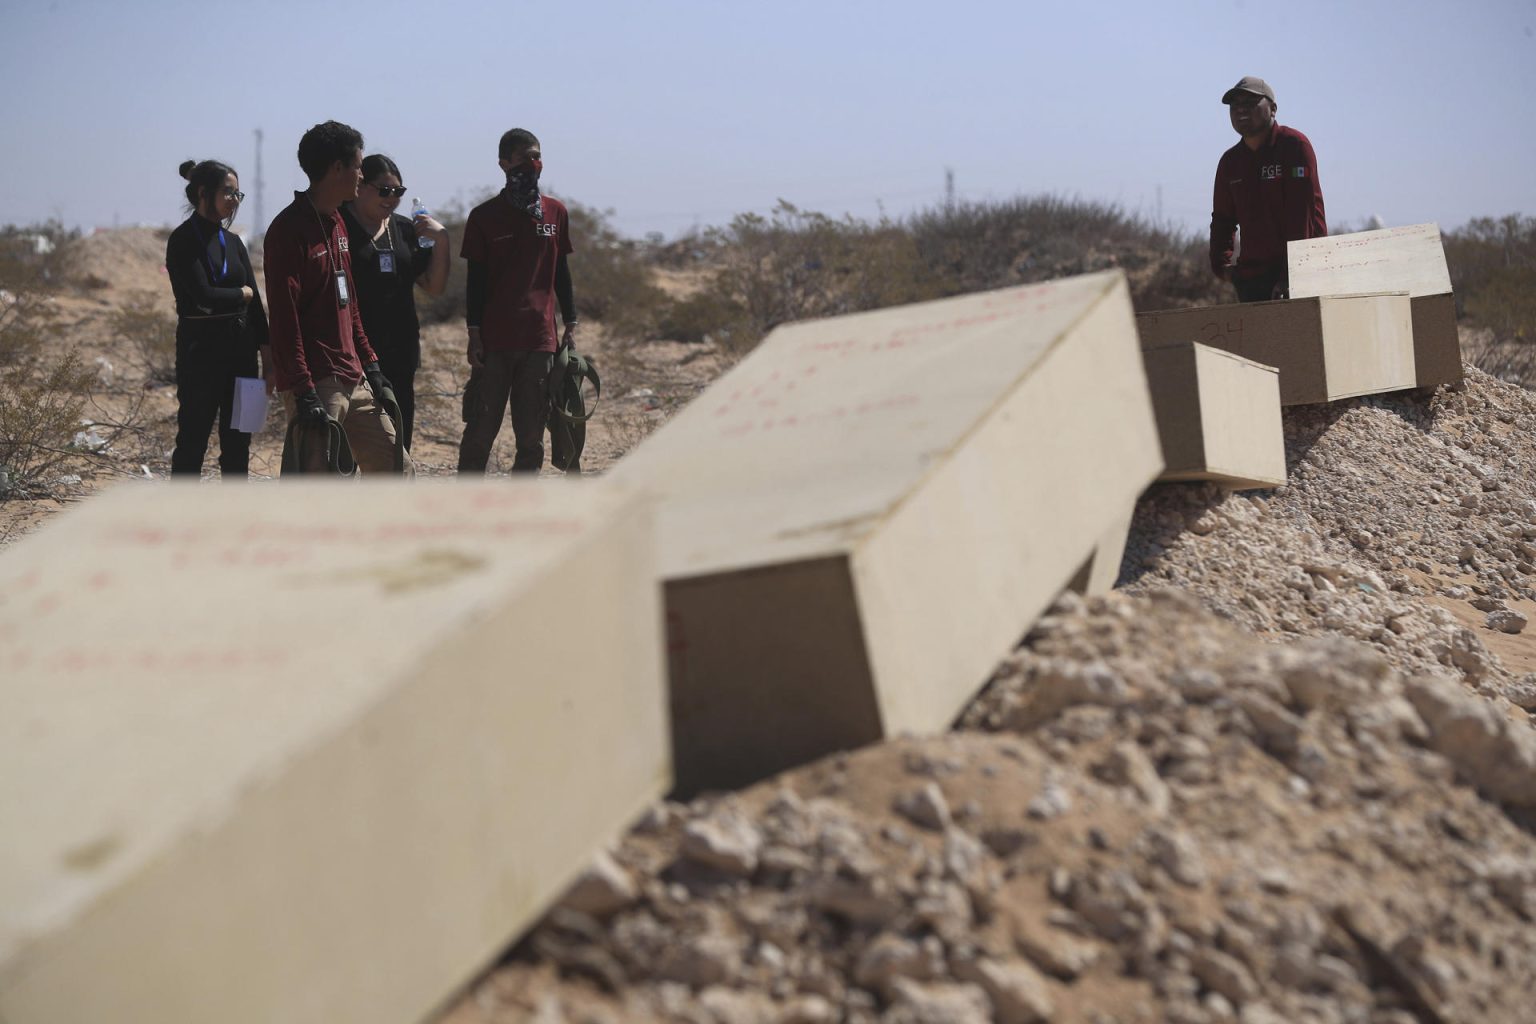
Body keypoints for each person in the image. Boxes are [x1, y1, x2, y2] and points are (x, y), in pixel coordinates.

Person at [263, 120, 408, 474]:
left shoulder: (338, 222)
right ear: (337, 168)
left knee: (397, 469)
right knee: (316, 486)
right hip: (316, 382)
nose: (362, 174)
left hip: (353, 376)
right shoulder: (288, 230)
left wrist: (370, 364)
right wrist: (302, 390)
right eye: (358, 166)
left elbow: (350, 304)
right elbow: (284, 319)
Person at [457, 128, 578, 475]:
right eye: (524, 157)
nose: (533, 164)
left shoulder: (556, 213)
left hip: (539, 343)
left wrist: (571, 322)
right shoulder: (483, 217)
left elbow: (561, 272)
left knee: (531, 438)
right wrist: (474, 334)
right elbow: (475, 282)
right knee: (480, 433)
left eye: (537, 156)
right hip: (494, 343)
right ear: (504, 163)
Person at [164, 159, 271, 478]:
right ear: (203, 192)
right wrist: (241, 295)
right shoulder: (182, 240)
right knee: (192, 442)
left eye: (239, 195)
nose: (234, 200)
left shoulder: (234, 242)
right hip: (202, 354)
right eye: (228, 192)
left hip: (243, 354)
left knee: (239, 444)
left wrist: (268, 356)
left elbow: (255, 301)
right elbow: (203, 295)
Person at [340, 154, 448, 452]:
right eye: (384, 191)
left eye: (398, 192)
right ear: (360, 186)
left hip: (399, 348)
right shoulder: (337, 225)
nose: (392, 199)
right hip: (351, 351)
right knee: (346, 443)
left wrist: (442, 242)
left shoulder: (404, 230)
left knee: (398, 440)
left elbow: (433, 286)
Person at [1209, 76, 1327, 303]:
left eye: (1251, 103)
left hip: (1304, 273)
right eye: (1235, 105)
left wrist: (1291, 277)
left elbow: (1302, 216)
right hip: (1253, 279)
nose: (1241, 109)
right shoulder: (1230, 162)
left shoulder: (1294, 147)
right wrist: (1222, 266)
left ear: (1273, 109)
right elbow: (1223, 219)